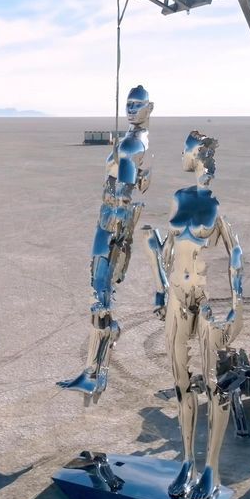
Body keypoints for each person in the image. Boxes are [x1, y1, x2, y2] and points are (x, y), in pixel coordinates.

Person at [143, 130, 243, 499]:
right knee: (182, 384)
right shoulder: (178, 199)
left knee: (215, 383)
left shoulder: (215, 209)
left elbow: (235, 255)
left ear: (198, 153)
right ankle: (187, 461)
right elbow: (168, 251)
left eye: (186, 149)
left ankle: (211, 469)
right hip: (175, 301)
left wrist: (238, 303)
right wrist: (156, 274)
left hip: (204, 301)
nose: (182, 155)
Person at [57, 85, 154, 404]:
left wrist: (118, 235)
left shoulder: (134, 142)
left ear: (149, 107)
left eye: (137, 104)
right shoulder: (134, 139)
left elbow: (125, 195)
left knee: (100, 301)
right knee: (97, 298)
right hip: (107, 222)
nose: (130, 108)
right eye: (128, 103)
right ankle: (91, 372)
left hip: (111, 226)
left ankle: (97, 374)